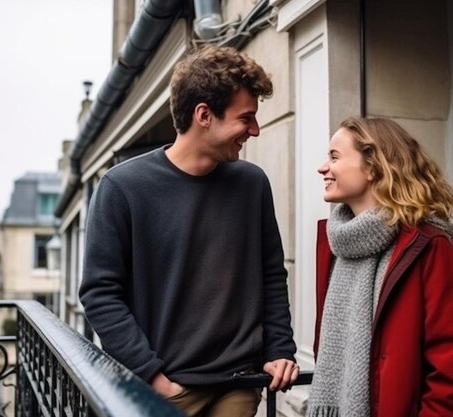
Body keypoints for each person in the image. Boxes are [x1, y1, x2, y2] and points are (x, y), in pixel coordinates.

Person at [79, 46, 298, 417]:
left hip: (239, 386)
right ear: (204, 115)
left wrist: (279, 349)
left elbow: (271, 274)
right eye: (246, 118)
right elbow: (100, 294)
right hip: (165, 391)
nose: (255, 130)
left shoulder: (252, 183)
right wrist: (152, 377)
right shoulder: (122, 187)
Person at [307, 117, 453, 417]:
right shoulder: (335, 245)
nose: (323, 167)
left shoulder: (429, 246)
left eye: (334, 157)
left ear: (373, 167)